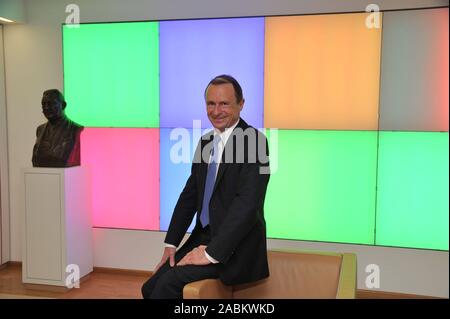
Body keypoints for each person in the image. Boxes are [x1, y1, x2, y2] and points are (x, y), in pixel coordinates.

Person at [141, 74, 270, 299]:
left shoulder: (256, 142)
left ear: (241, 104)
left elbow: (248, 205)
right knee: (149, 287)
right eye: (211, 103)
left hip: (234, 247)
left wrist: (210, 254)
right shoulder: (206, 142)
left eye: (224, 103)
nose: (216, 110)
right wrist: (171, 243)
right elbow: (190, 195)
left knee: (167, 287)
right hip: (203, 237)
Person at [32, 89, 83, 167]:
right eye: (43, 104)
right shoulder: (40, 130)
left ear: (63, 105)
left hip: (65, 175)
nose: (46, 107)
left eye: (51, 104)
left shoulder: (75, 129)